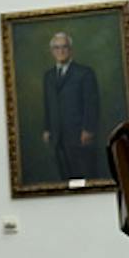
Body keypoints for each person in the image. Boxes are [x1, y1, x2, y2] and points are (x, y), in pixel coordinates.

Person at [40, 32, 102, 181]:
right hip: (57, 134)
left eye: (64, 47)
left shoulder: (84, 73)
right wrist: (47, 128)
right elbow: (48, 104)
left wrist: (88, 129)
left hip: (78, 133)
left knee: (81, 174)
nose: (60, 51)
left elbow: (91, 104)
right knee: (64, 174)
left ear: (70, 50)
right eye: (56, 48)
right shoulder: (48, 76)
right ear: (52, 51)